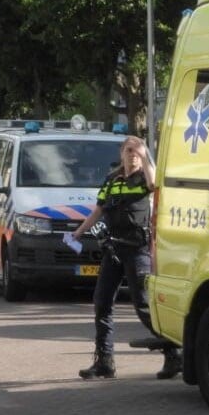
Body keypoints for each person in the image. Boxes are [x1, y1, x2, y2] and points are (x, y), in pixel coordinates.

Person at [71, 135, 181, 380]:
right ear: (121, 153)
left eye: (137, 151)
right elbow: (98, 210)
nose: (132, 154)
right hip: (114, 250)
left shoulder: (144, 178)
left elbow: (154, 187)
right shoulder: (111, 180)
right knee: (102, 302)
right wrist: (78, 232)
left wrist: (145, 157)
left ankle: (174, 353)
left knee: (142, 305)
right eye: (129, 150)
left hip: (137, 249)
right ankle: (104, 362)